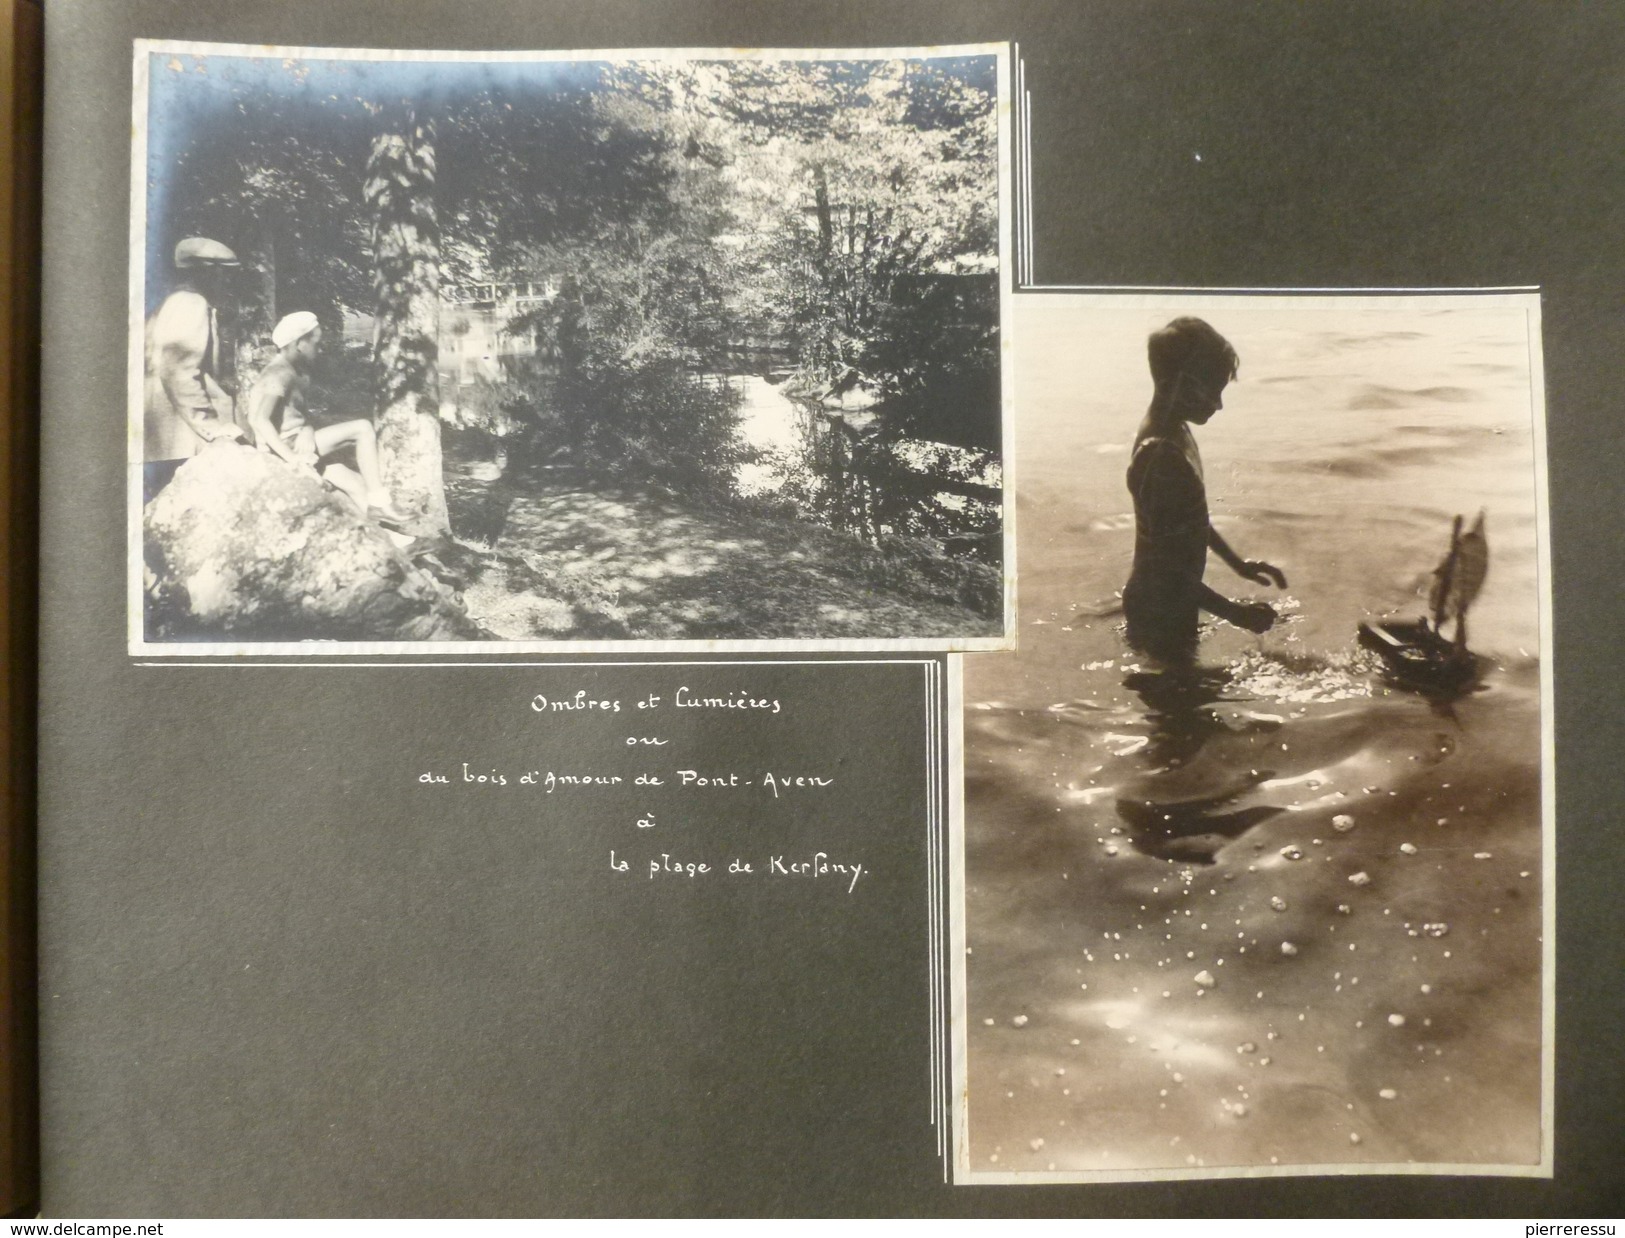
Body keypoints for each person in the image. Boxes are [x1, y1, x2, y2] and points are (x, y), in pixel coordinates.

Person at [1123, 317, 1287, 665]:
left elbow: (1191, 521)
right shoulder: (1161, 455)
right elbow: (1166, 571)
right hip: (1158, 608)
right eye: (1213, 390)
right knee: (1178, 709)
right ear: (1177, 384)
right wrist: (1235, 614)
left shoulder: (1175, 430)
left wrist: (1237, 564)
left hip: (1172, 601)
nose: (1219, 404)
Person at [244, 311, 409, 526]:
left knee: (357, 484)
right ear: (300, 344)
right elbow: (259, 420)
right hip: (284, 450)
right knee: (363, 429)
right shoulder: (279, 373)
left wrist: (307, 430)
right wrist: (292, 459)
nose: (319, 350)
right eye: (316, 343)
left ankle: (393, 542)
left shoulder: (295, 371)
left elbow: (298, 414)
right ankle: (381, 501)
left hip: (298, 442)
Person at [143, 236, 246, 502]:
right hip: (178, 440)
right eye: (224, 274)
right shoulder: (191, 304)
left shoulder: (172, 302)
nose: (226, 282)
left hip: (167, 439)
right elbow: (178, 372)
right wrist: (213, 427)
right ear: (209, 272)